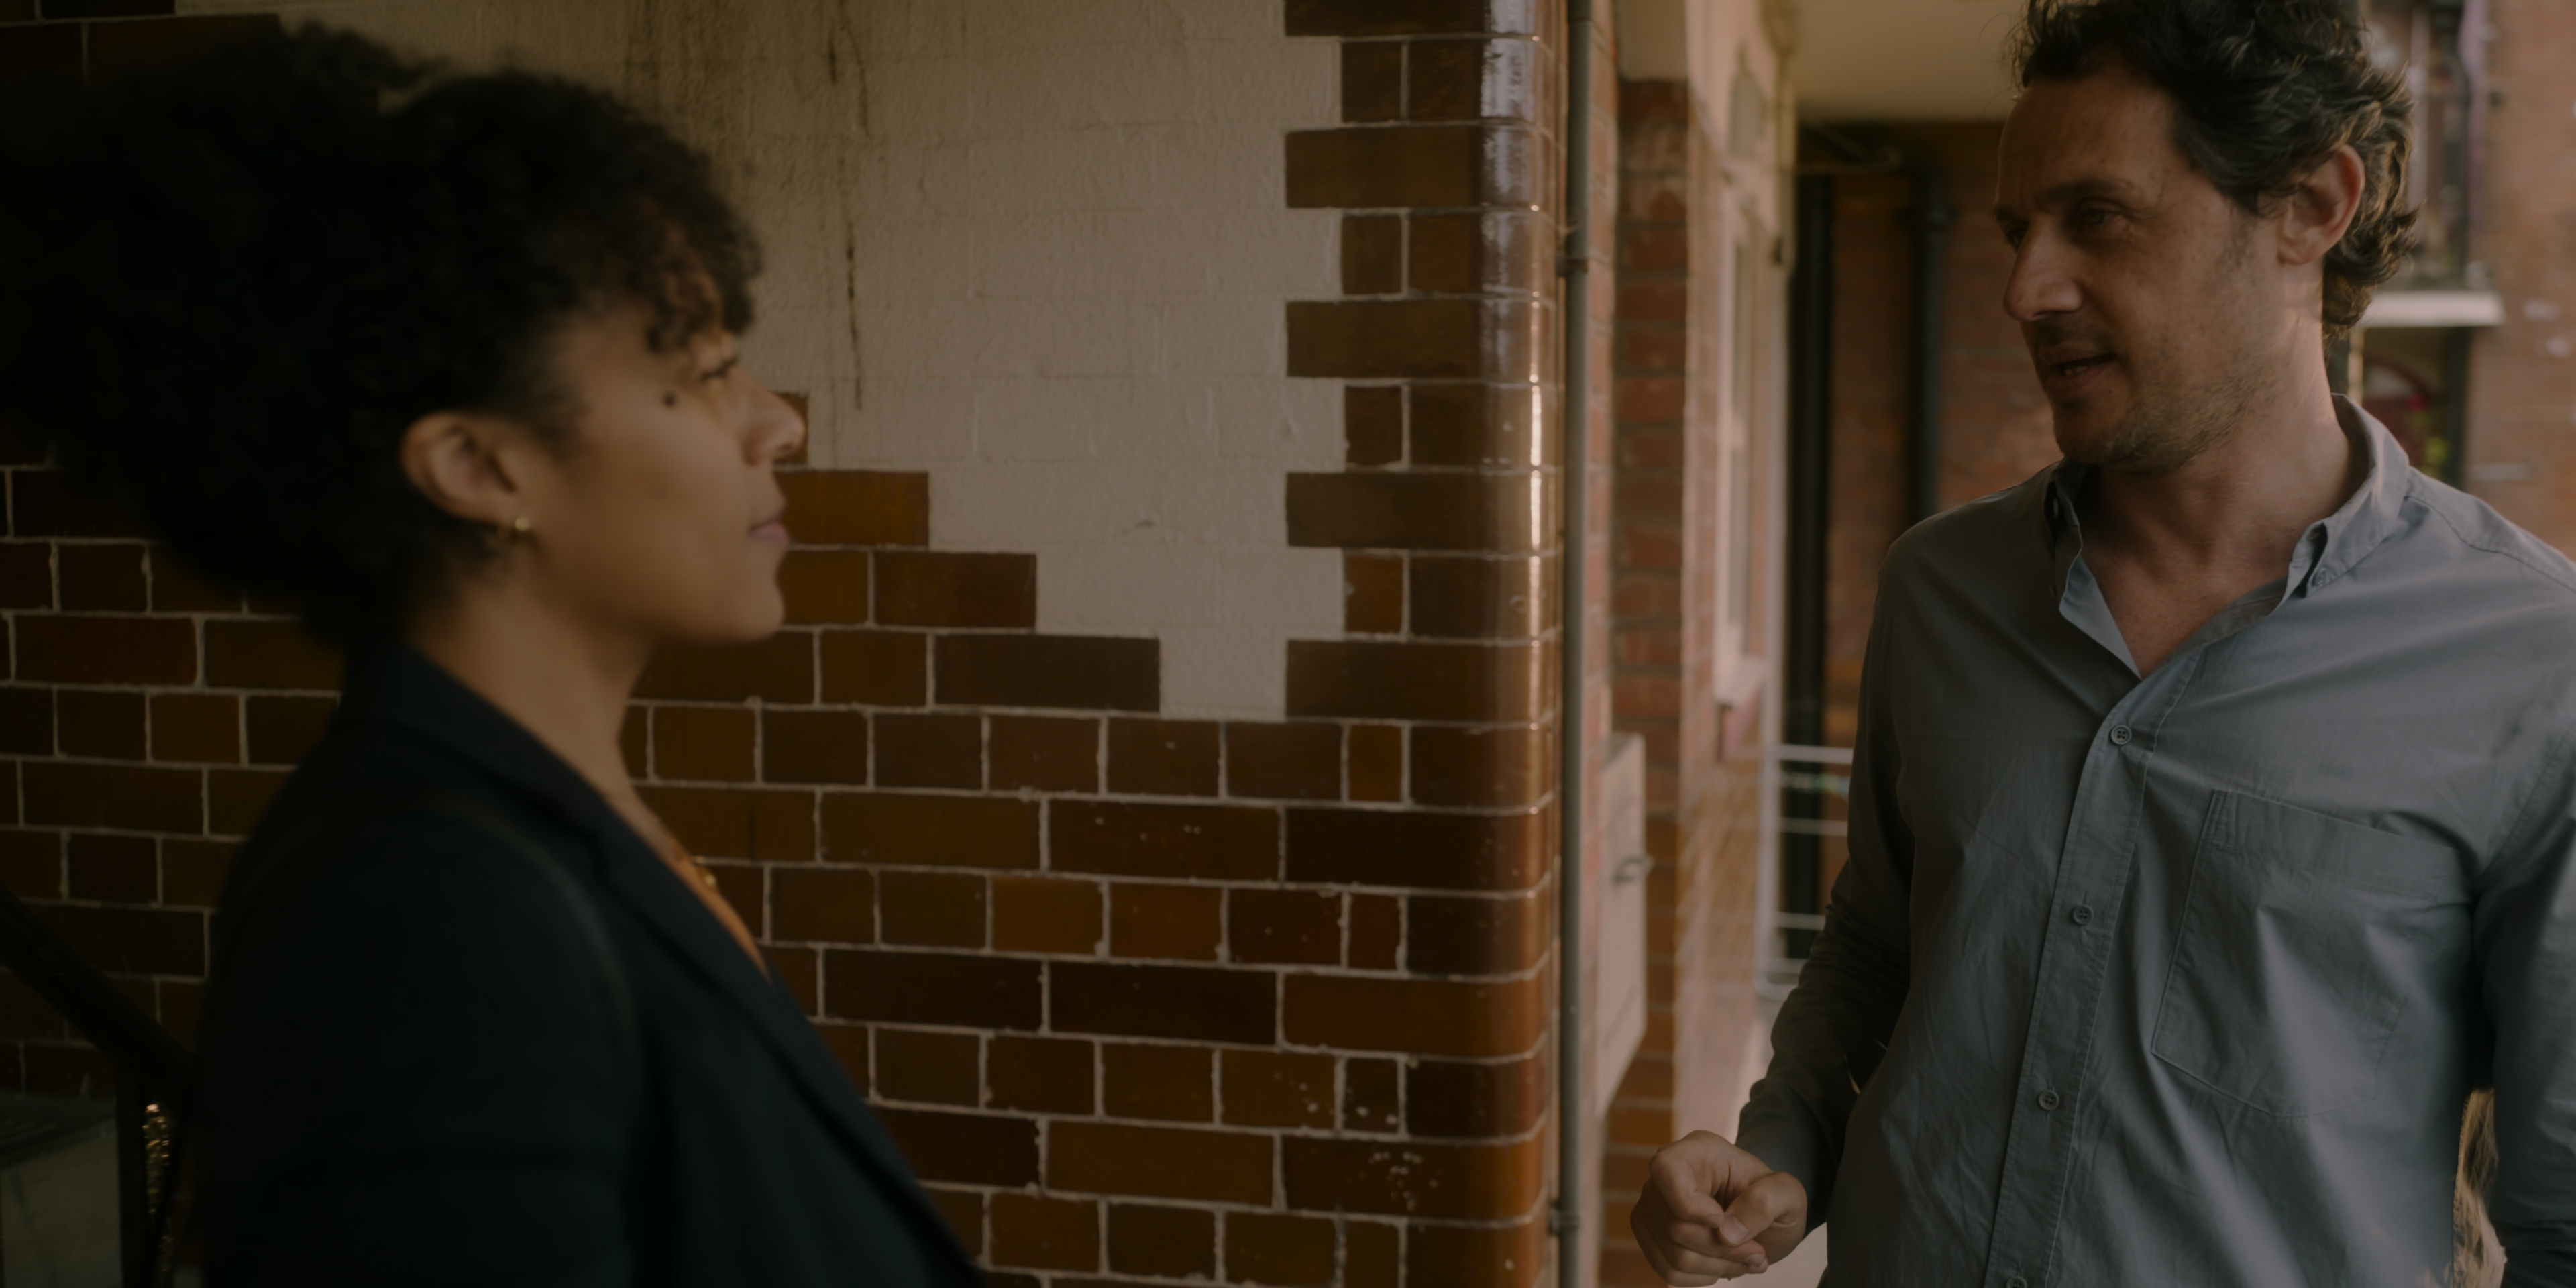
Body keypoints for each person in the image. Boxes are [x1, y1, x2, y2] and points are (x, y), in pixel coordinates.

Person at [0, 28, 981, 1287]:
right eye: (704, 372)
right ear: (478, 468)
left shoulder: (551, 833)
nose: (779, 422)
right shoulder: (426, 922)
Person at [1629, 1, 2573, 1284]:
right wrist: (1785, 1141)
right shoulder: (1939, 587)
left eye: (2100, 217)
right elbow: (1881, 942)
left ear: (2309, 207)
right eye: (2018, 229)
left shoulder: (2535, 661)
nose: (2026, 289)